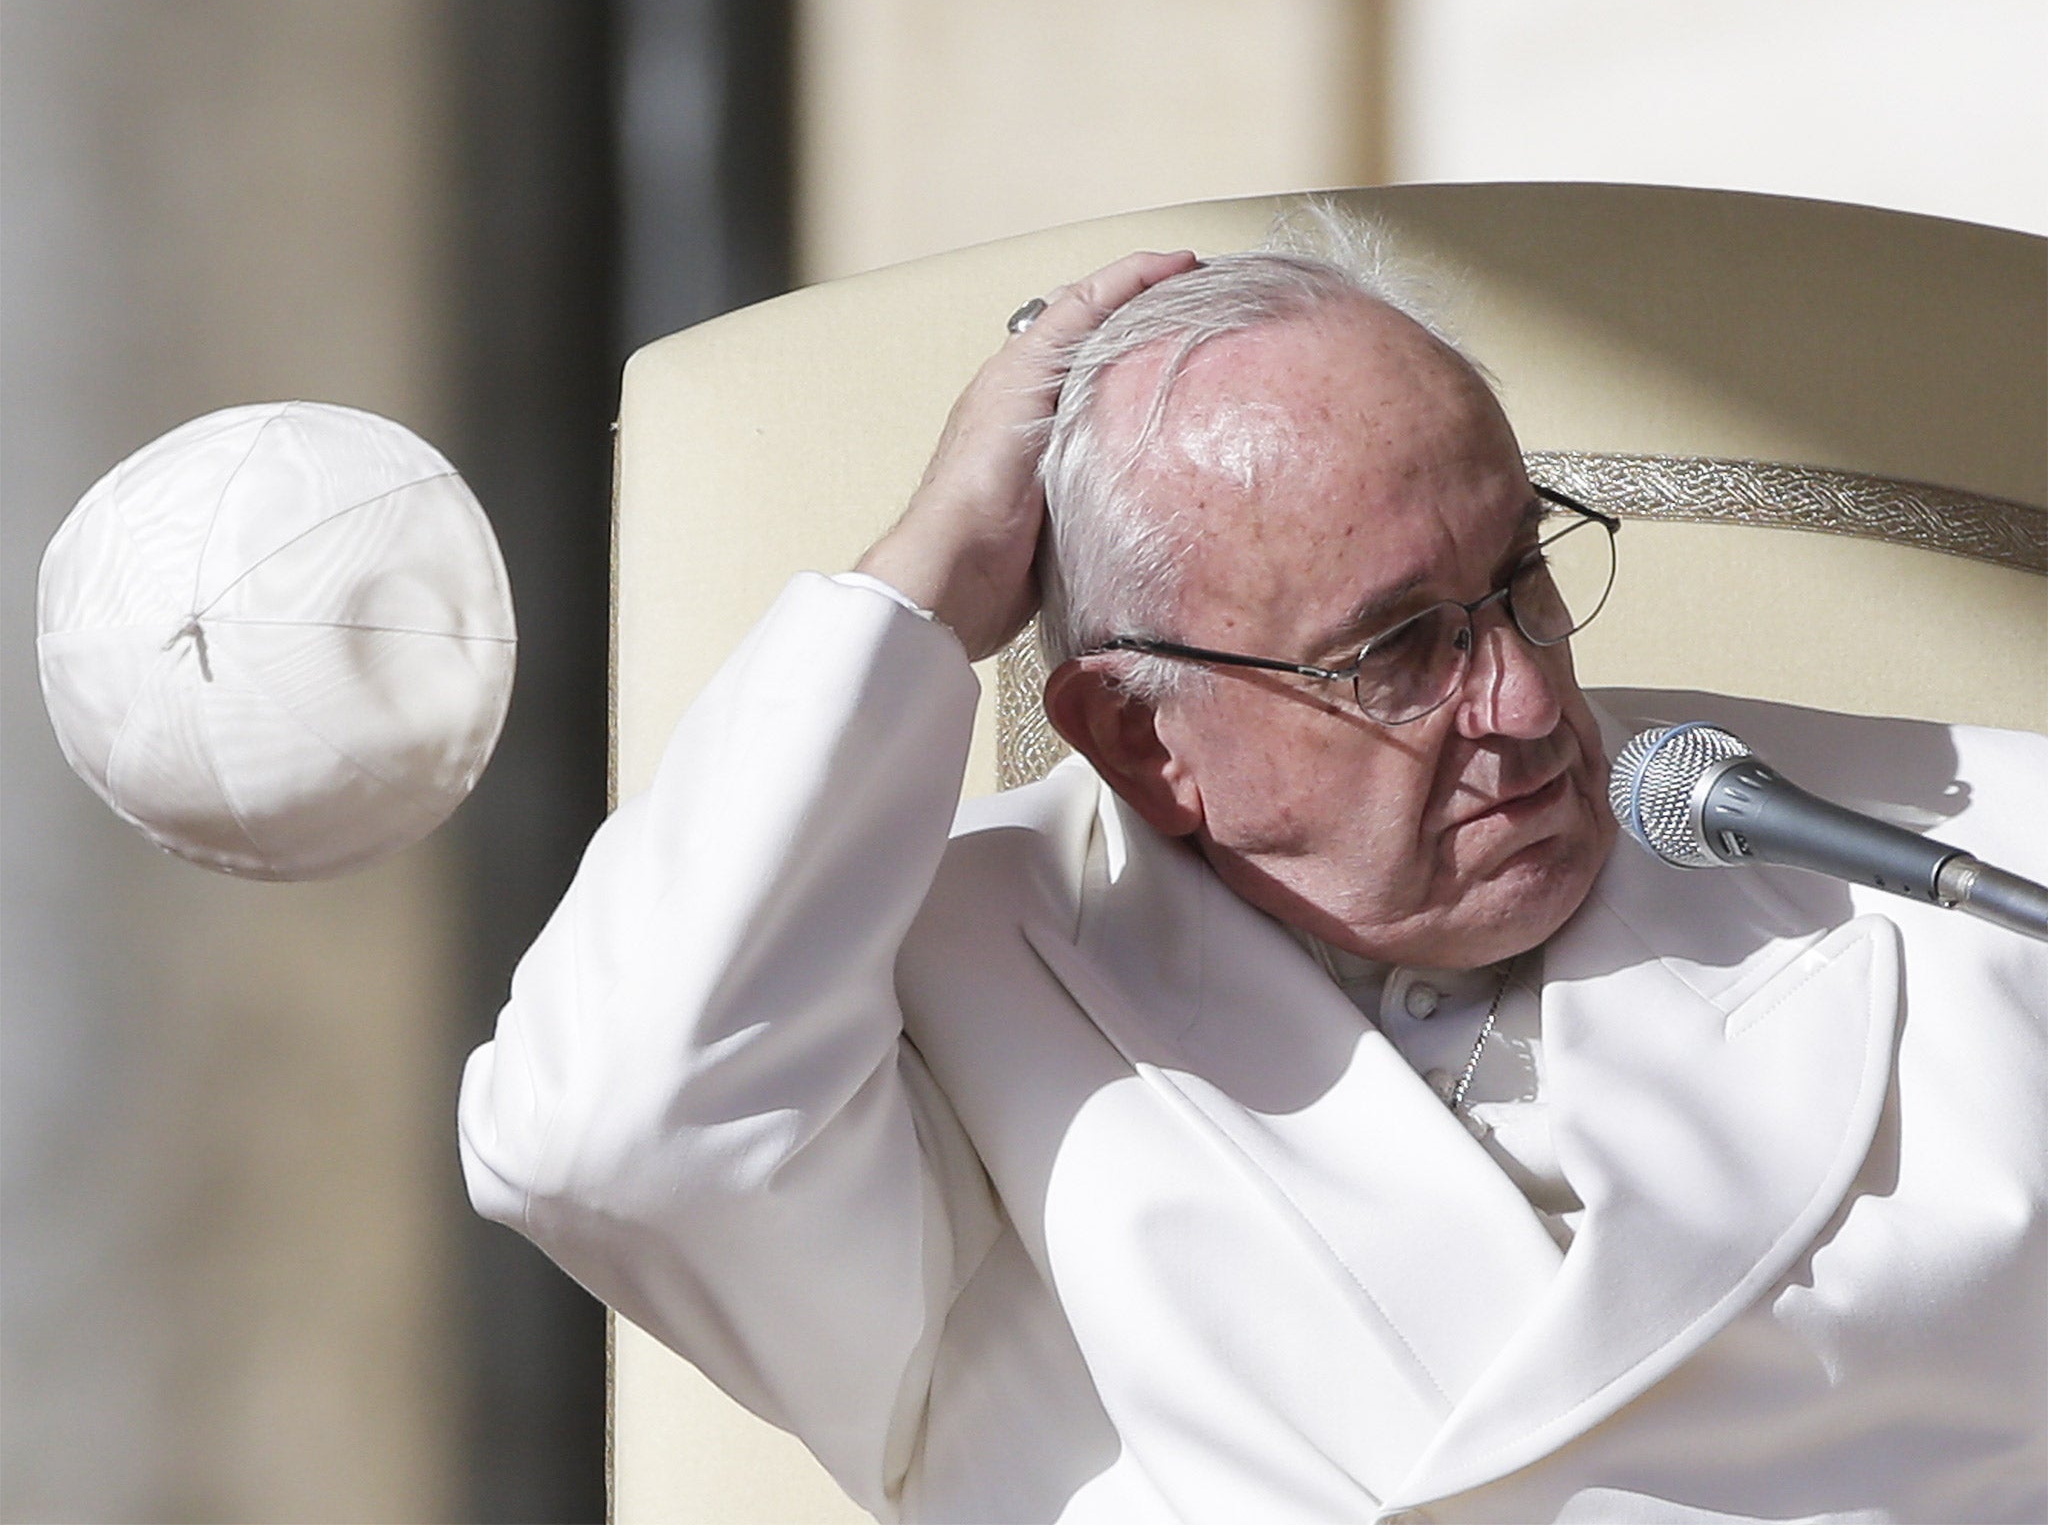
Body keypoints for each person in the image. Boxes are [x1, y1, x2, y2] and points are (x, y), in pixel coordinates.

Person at [459, 227, 2048, 1523]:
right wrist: (932, 578)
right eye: (1398, 650)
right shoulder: (934, 1003)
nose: (1520, 700)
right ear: (1145, 745)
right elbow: (607, 1134)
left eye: (1524, 582)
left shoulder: (1940, 854)